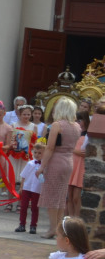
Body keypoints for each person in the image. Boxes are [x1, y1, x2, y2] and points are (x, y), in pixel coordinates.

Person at [38, 97, 80, 240]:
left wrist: (42, 166)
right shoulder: (76, 126)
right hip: (69, 160)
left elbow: (50, 148)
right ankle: (59, 229)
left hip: (56, 161)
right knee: (61, 197)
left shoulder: (57, 125)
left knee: (51, 196)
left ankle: (52, 228)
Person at [16, 141, 45, 235]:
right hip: (27, 187)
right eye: (35, 152)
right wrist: (21, 186)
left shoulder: (44, 166)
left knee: (34, 207)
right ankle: (22, 225)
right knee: (23, 206)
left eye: (40, 153)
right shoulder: (30, 163)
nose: (37, 155)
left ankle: (33, 226)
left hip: (37, 189)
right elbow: (24, 176)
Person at [68, 111, 90, 218]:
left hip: (81, 166)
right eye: (76, 120)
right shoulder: (73, 132)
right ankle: (70, 218)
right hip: (71, 163)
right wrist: (75, 151)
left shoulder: (89, 134)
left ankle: (77, 218)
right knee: (69, 196)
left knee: (76, 197)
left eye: (80, 120)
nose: (78, 122)